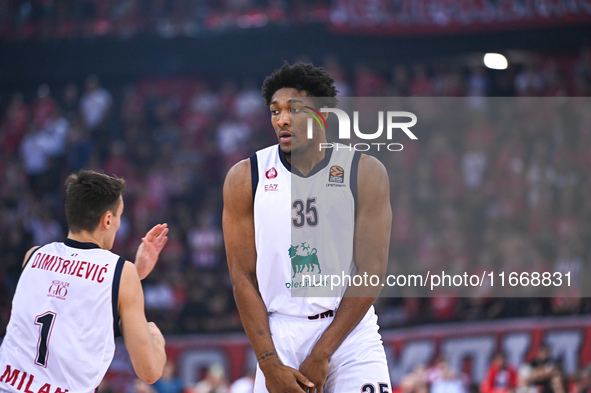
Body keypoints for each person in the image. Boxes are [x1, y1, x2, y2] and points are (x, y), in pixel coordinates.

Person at [223, 62, 392, 393]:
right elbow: (242, 277)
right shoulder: (245, 178)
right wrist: (269, 362)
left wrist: (323, 352)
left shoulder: (365, 172)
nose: (282, 120)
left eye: (294, 110)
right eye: (275, 111)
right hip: (280, 332)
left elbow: (373, 271)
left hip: (349, 331)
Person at [0, 169, 168, 393]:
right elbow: (149, 371)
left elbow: (65, 299)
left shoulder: (33, 256)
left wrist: (133, 276)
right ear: (108, 220)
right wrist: (155, 337)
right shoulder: (120, 271)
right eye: (119, 215)